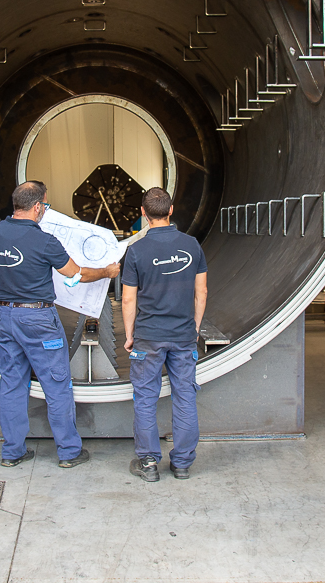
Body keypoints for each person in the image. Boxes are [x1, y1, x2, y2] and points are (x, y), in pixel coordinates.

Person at [0, 180, 120, 468]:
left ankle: (12, 452)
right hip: (38, 319)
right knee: (56, 385)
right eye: (45, 205)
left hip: (6, 317)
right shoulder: (44, 240)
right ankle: (69, 452)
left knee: (11, 384)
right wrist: (106, 271)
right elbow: (76, 275)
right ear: (37, 206)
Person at [120, 187, 208, 481]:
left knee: (145, 397)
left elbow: (129, 299)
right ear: (171, 210)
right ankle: (182, 463)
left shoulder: (136, 251)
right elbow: (201, 292)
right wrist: (194, 328)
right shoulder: (192, 245)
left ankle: (148, 463)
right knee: (185, 397)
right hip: (183, 335)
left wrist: (130, 335)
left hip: (149, 336)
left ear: (143, 214)